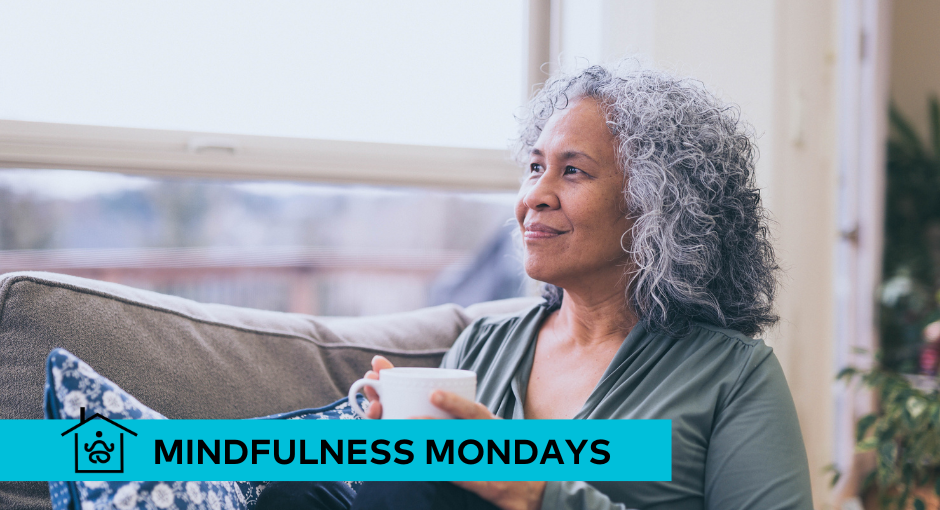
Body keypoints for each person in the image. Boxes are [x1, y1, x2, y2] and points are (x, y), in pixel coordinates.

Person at [259, 60, 814, 510]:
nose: (534, 197)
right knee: (301, 490)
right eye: (534, 167)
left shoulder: (732, 376)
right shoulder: (483, 345)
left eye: (573, 171)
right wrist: (390, 450)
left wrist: (535, 492)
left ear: (657, 205)